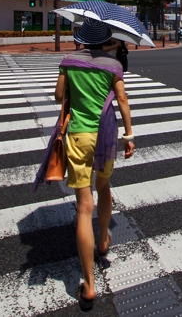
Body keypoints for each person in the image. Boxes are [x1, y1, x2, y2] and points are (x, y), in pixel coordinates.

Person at [54, 19, 134, 312]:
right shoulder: (114, 66)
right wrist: (130, 135)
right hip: (106, 134)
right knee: (104, 186)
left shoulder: (69, 61)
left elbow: (59, 96)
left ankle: (88, 284)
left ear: (82, 38)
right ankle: (103, 239)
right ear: (106, 40)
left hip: (77, 135)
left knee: (83, 206)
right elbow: (123, 100)